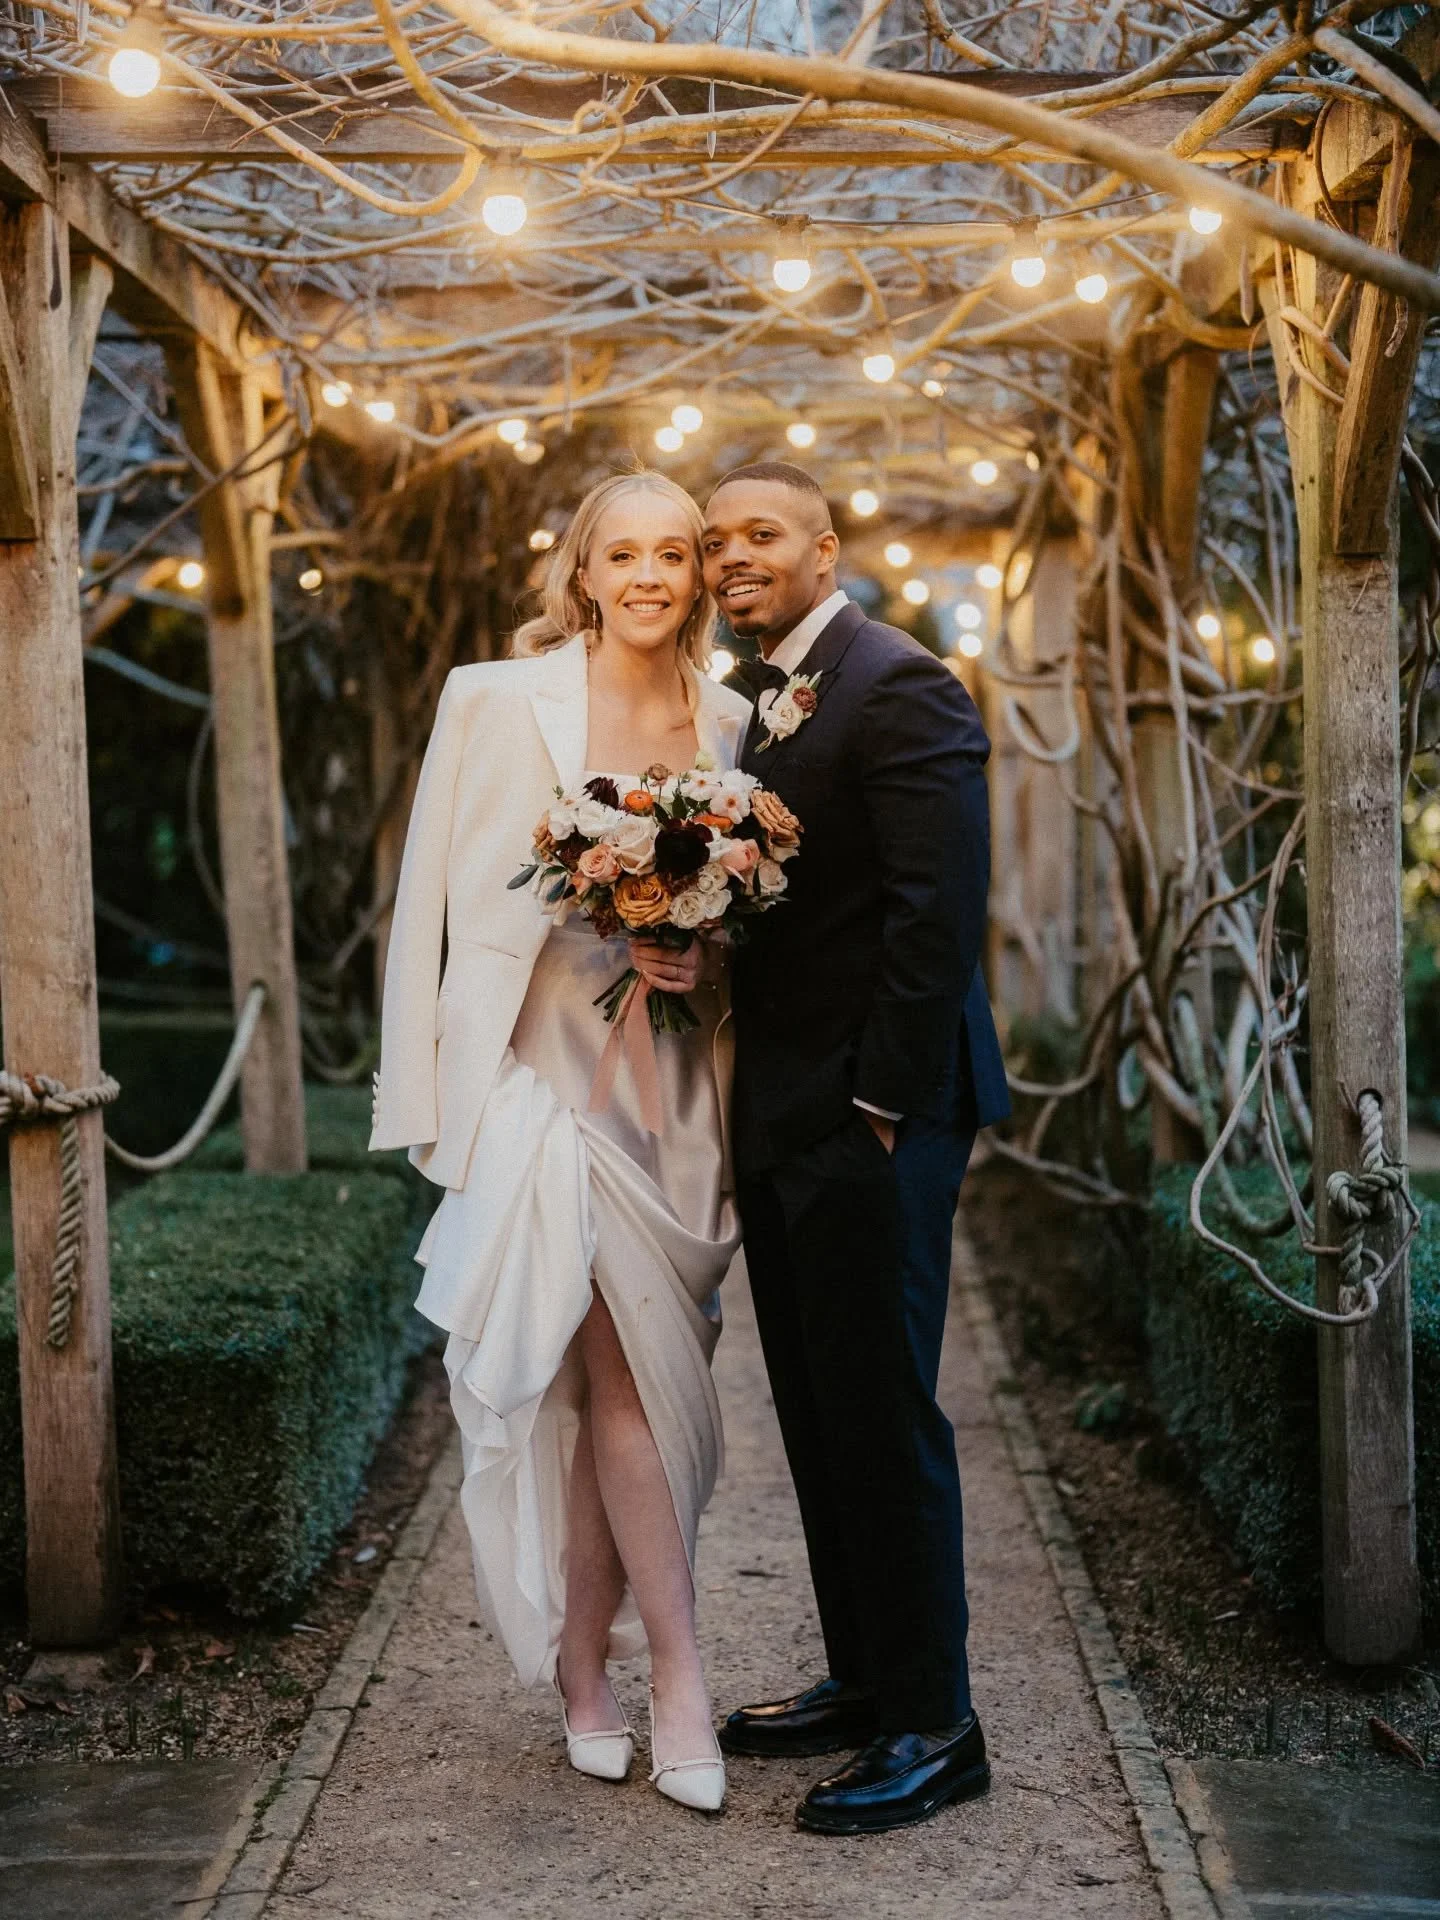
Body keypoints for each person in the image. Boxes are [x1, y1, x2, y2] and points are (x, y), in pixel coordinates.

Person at [369, 471, 752, 1813]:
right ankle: (682, 1680)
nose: (649, 575)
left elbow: (740, 928)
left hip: (677, 1101)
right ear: (580, 574)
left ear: (695, 575)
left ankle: (585, 1664)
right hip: (542, 1083)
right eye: (622, 555)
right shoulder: (490, 696)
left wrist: (699, 946)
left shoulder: (737, 716)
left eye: (673, 554)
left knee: (621, 1395)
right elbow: (429, 900)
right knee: (626, 1383)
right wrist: (418, 1097)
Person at [700, 461, 1010, 1836]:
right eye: (717, 543)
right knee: (819, 1415)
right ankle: (867, 1674)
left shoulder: (902, 683)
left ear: (827, 548)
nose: (728, 559)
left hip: (872, 1119)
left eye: (757, 535)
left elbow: (940, 911)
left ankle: (938, 1725)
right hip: (783, 1108)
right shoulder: (762, 703)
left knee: (882, 1411)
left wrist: (881, 1105)